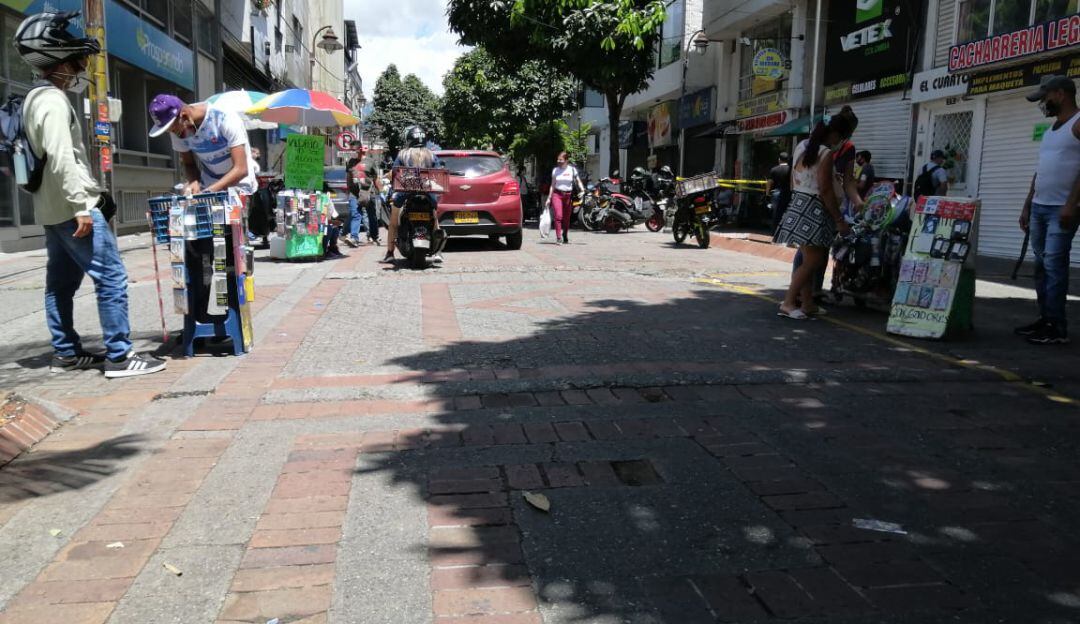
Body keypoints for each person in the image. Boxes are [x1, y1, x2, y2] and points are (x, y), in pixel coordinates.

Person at [15, 11, 165, 377]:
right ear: (58, 61)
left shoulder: (33, 98)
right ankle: (120, 356)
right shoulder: (51, 100)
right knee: (111, 278)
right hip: (72, 210)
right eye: (77, 60)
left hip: (52, 210)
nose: (81, 67)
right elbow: (61, 156)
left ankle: (66, 353)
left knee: (60, 285)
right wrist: (83, 206)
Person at [774, 106, 859, 320]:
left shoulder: (802, 146)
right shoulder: (826, 153)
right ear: (837, 135)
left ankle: (808, 303)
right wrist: (839, 219)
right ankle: (788, 302)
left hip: (799, 204)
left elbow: (795, 180)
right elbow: (825, 189)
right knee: (813, 260)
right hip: (815, 208)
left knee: (810, 258)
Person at [1015, 75, 1080, 345]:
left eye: (1046, 97)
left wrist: (1071, 204)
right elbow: (1040, 170)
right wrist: (1028, 204)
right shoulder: (1053, 129)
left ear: (1062, 94)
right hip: (1040, 206)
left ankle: (1056, 326)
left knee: (1054, 264)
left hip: (1062, 209)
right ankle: (1045, 318)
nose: (1043, 103)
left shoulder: (1078, 124)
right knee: (1041, 266)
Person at [147, 94, 257, 197]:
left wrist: (209, 192)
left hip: (240, 187)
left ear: (184, 116)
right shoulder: (177, 127)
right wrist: (194, 182)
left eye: (174, 130)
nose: (174, 134)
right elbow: (189, 163)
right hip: (210, 185)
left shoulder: (225, 118)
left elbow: (241, 169)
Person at [381, 125, 442, 263]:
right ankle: (438, 252)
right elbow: (438, 173)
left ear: (409, 139)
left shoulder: (403, 154)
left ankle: (390, 252)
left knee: (393, 222)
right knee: (435, 218)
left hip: (405, 192)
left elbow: (395, 172)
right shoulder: (432, 154)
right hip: (428, 192)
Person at [545, 151, 580, 245]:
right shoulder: (555, 170)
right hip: (557, 194)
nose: (558, 161)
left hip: (568, 195)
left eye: (561, 160)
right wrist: (549, 198)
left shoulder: (572, 170)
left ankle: (565, 234)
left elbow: (578, 181)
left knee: (567, 218)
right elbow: (552, 185)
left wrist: (583, 190)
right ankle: (558, 237)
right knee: (558, 216)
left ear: (566, 160)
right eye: (558, 160)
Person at [766, 152, 792, 228]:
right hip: (788, 193)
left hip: (776, 193)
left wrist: (767, 194)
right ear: (787, 160)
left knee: (776, 212)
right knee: (787, 212)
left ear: (779, 160)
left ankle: (775, 230)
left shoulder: (774, 170)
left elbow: (769, 183)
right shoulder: (790, 169)